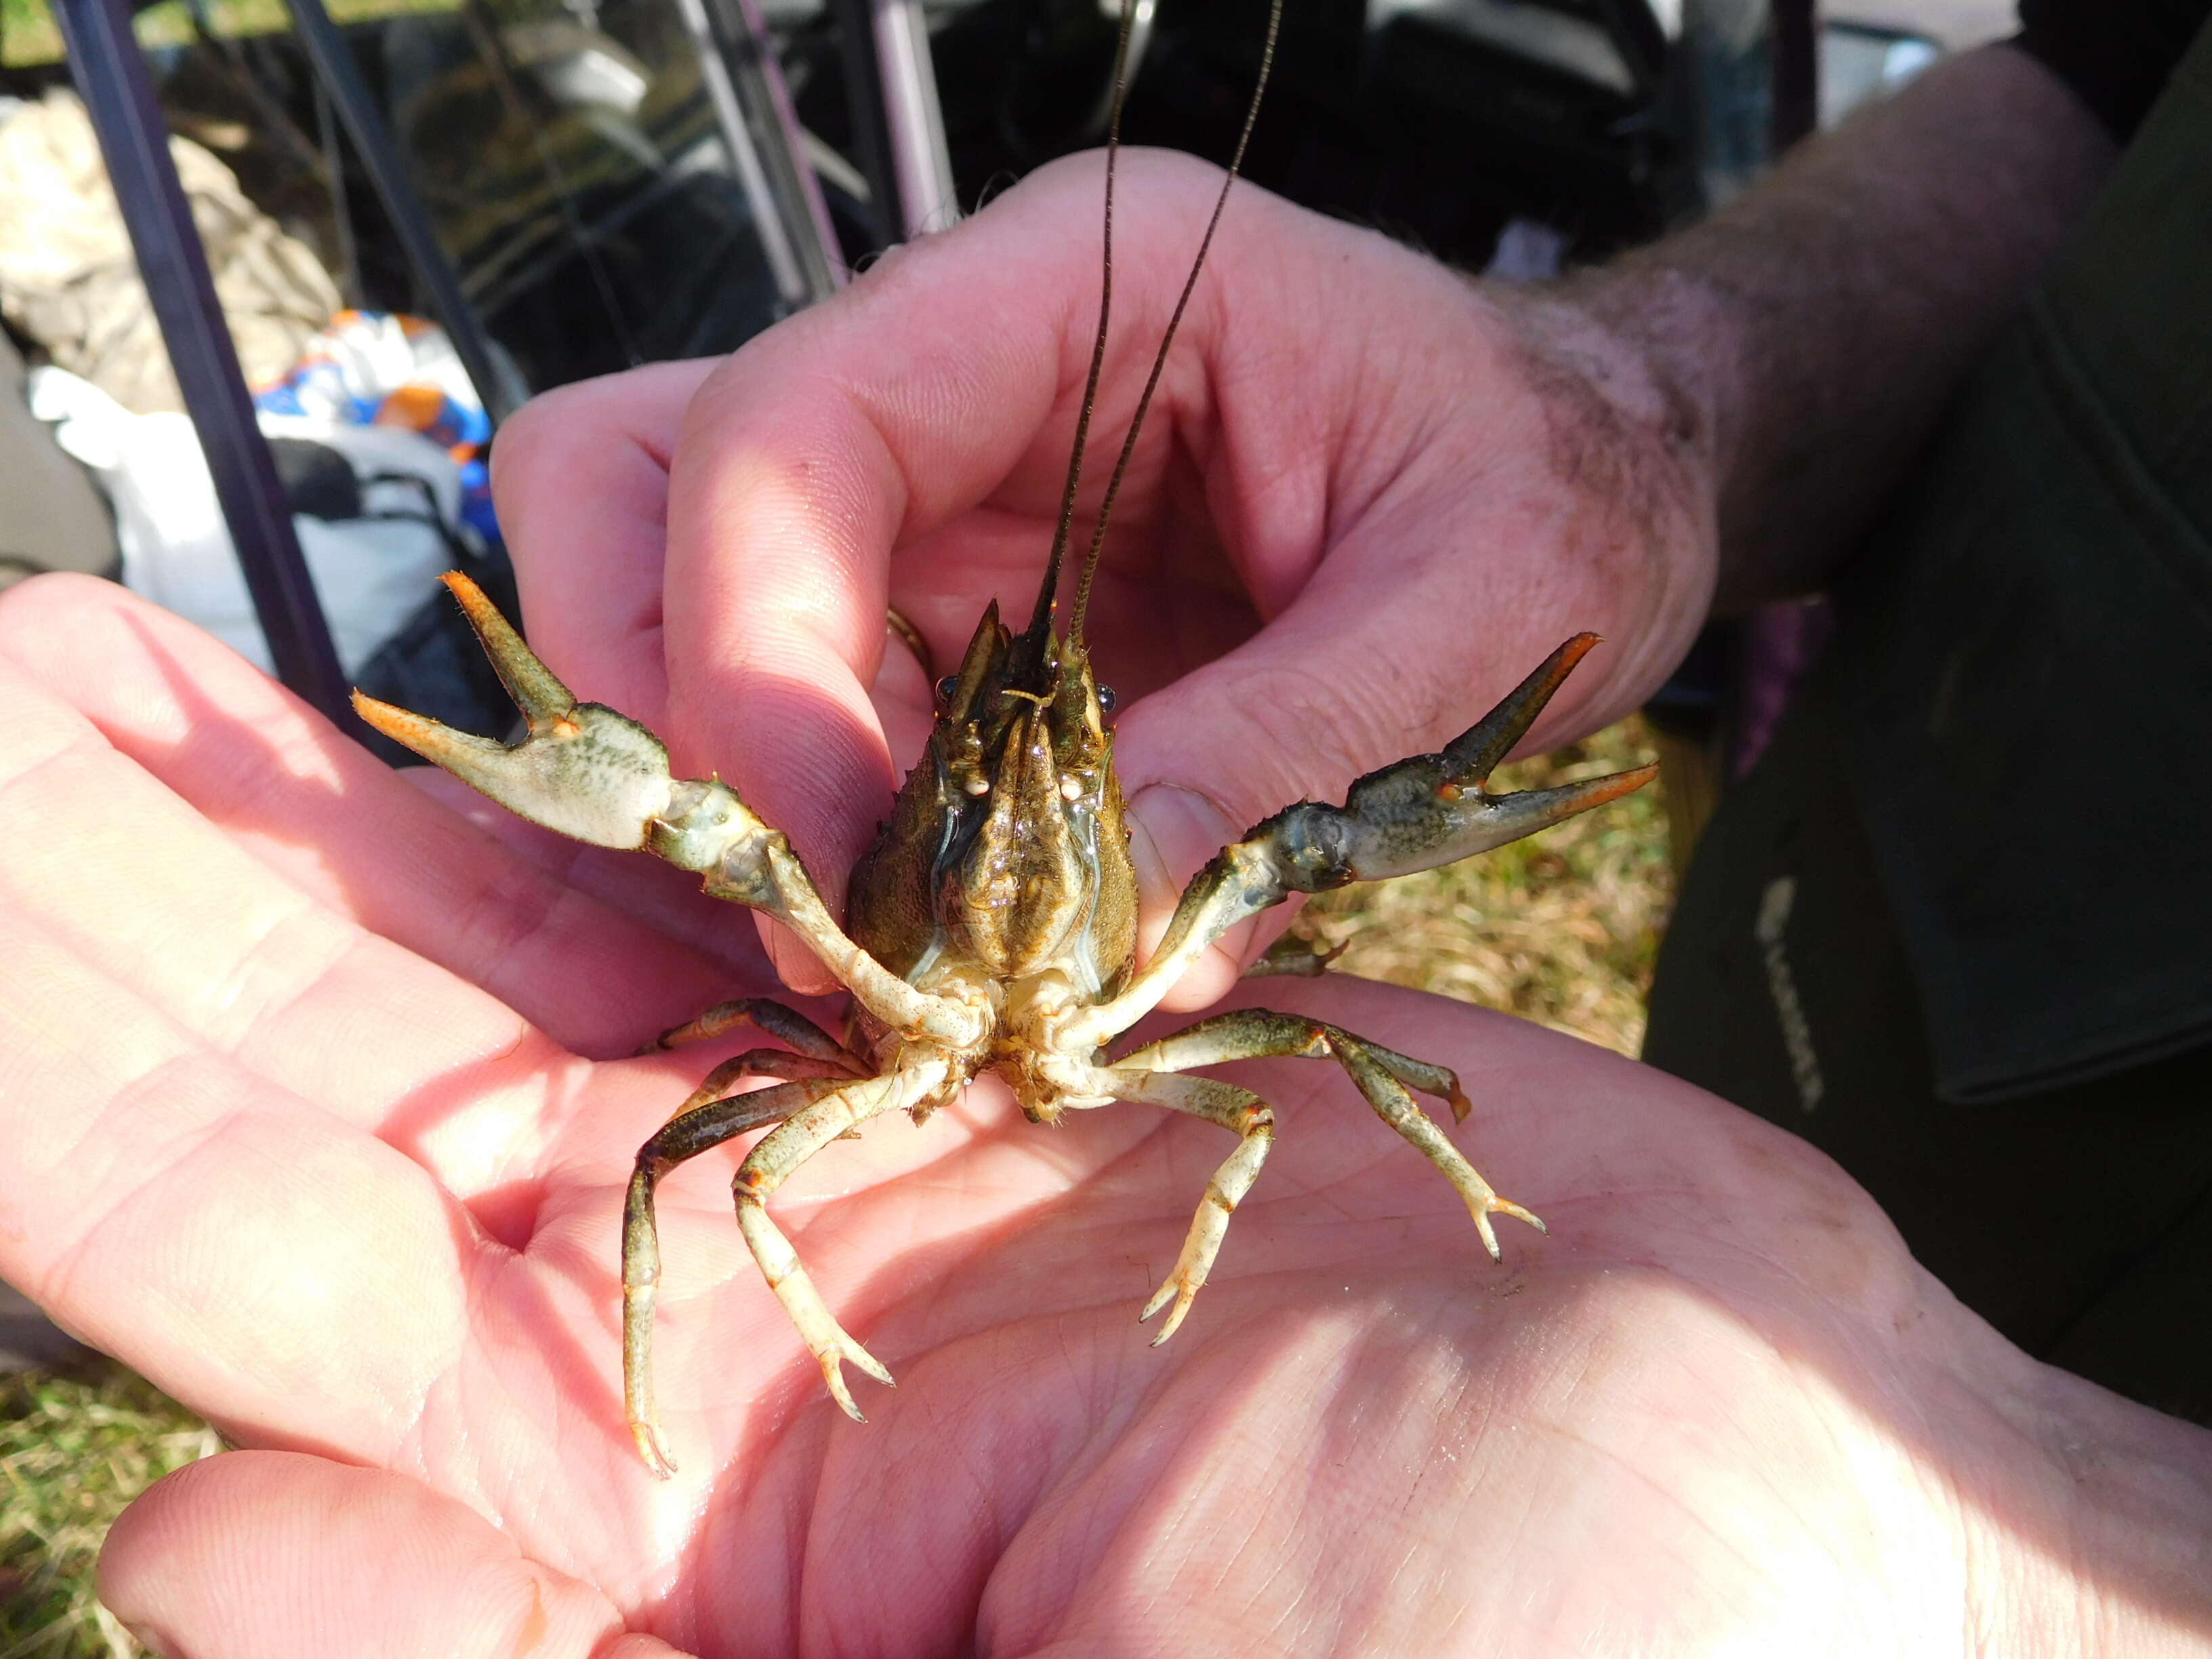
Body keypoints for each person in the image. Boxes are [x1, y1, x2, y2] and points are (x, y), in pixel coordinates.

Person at [0, 10, 2209, 1658]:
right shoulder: (848, 906)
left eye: (1046, 755)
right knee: (704, 1156)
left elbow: (1316, 1055)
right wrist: (1633, 404)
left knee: (1348, 1043)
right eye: (1000, 755)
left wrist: (2007, 1578)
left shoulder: (1205, 942)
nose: (1032, 775)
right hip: (1885, 960)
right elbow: (2108, 73)